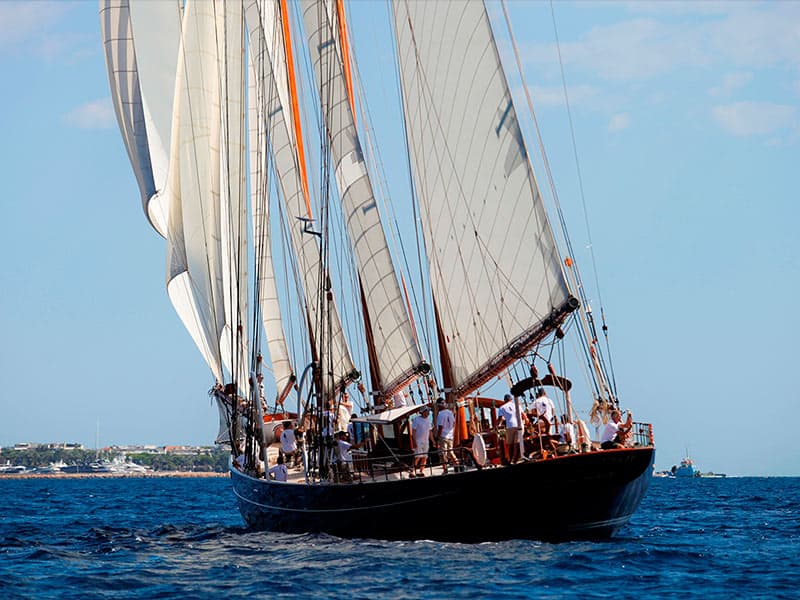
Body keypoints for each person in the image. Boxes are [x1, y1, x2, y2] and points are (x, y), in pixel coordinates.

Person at [496, 394, 528, 464]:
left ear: (504, 400)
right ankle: (516, 460)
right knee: (517, 443)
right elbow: (524, 416)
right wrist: (527, 422)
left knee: (510, 444)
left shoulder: (502, 407)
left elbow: (500, 419)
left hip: (510, 426)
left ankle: (510, 460)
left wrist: (496, 426)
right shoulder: (517, 406)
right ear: (511, 399)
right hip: (519, 425)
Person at [411, 406, 436, 477]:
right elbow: (414, 431)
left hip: (426, 442)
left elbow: (430, 432)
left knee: (425, 457)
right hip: (418, 441)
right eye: (427, 411)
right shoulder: (416, 420)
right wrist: (414, 441)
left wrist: (433, 441)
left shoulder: (428, 420)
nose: (428, 412)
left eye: (428, 411)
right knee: (417, 457)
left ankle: (421, 471)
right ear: (423, 412)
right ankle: (412, 470)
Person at [436, 398, 457, 473]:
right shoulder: (450, 412)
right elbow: (454, 423)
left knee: (442, 454)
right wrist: (450, 430)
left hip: (443, 436)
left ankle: (445, 469)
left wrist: (437, 437)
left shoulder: (440, 414)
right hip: (450, 436)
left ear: (438, 405)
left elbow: (440, 427)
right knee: (450, 451)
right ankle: (457, 464)